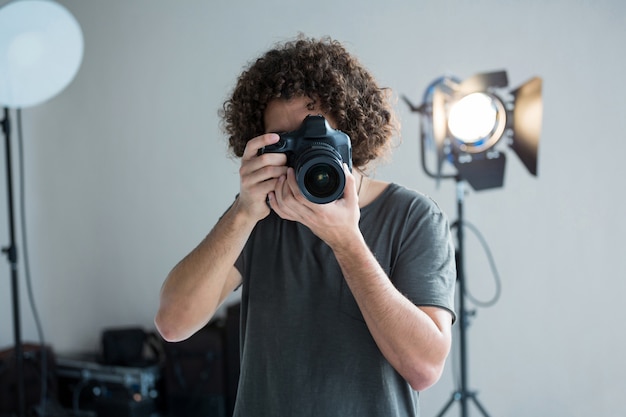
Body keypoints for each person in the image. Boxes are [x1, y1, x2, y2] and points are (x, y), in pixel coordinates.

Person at [155, 36, 456, 417]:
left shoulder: (412, 216)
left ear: (351, 130)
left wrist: (346, 239)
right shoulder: (261, 213)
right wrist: (244, 212)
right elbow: (173, 323)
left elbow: (425, 368)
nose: (304, 156)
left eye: (317, 136)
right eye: (287, 143)